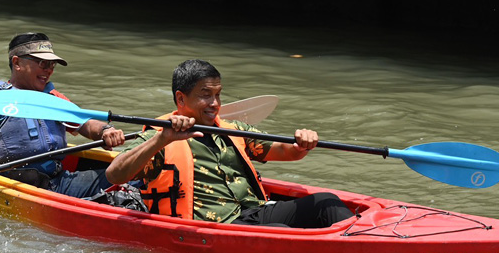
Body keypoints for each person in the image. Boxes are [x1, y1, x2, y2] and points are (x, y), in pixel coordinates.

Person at [105, 59, 353, 227]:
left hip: (253, 212)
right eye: (205, 95)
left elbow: (285, 151)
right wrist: (161, 139)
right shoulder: (160, 135)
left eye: (218, 94)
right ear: (181, 98)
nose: (215, 103)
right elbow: (115, 174)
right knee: (279, 230)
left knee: (324, 202)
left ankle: (361, 243)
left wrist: (302, 145)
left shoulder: (234, 130)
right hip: (214, 226)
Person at [0, 32, 126, 199]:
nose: (49, 70)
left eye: (52, 65)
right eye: (43, 63)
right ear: (17, 63)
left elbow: (85, 124)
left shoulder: (53, 98)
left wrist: (105, 130)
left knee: (129, 175)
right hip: (12, 186)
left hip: (57, 182)